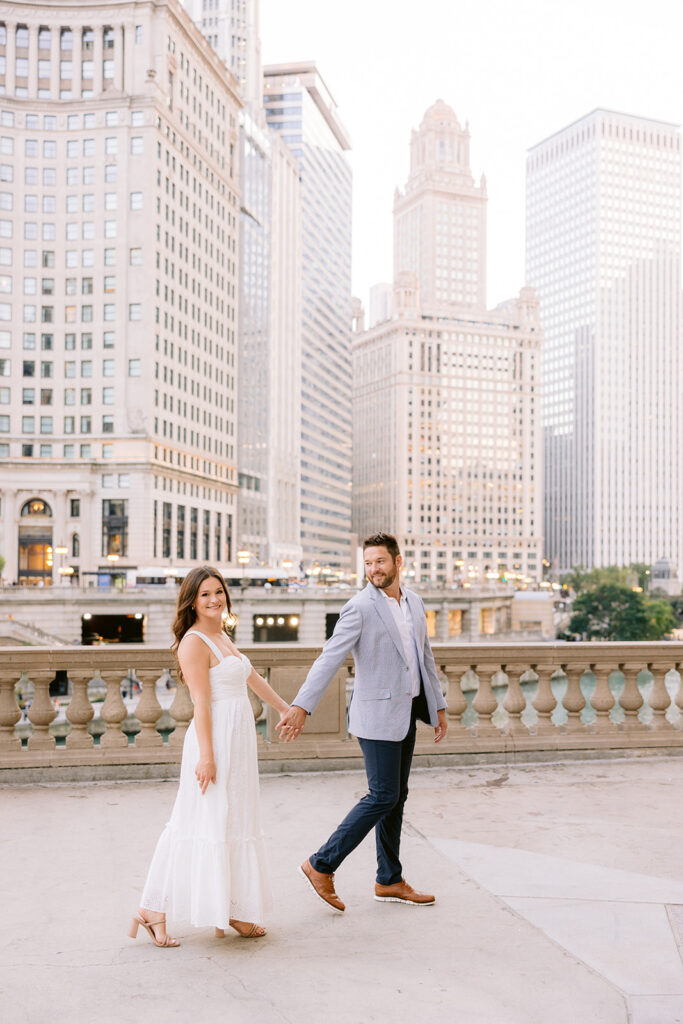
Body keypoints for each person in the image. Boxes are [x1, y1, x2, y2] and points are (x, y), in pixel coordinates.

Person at [277, 532, 448, 912]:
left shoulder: (415, 603)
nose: (373, 570)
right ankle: (321, 864)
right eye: (368, 563)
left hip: (407, 714)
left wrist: (438, 706)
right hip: (374, 717)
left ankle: (389, 880)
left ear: (398, 562)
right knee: (383, 795)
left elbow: (425, 659)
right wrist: (302, 705)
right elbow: (329, 658)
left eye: (380, 562)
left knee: (397, 797)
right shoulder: (358, 607)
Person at [129, 565, 291, 948]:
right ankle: (153, 909)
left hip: (237, 741)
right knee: (195, 823)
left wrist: (285, 709)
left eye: (218, 591)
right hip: (213, 740)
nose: (215, 599)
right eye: (205, 594)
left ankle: (229, 909)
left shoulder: (222, 634)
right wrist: (207, 756)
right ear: (192, 601)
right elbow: (201, 703)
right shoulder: (194, 642)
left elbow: (252, 679)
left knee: (231, 821)